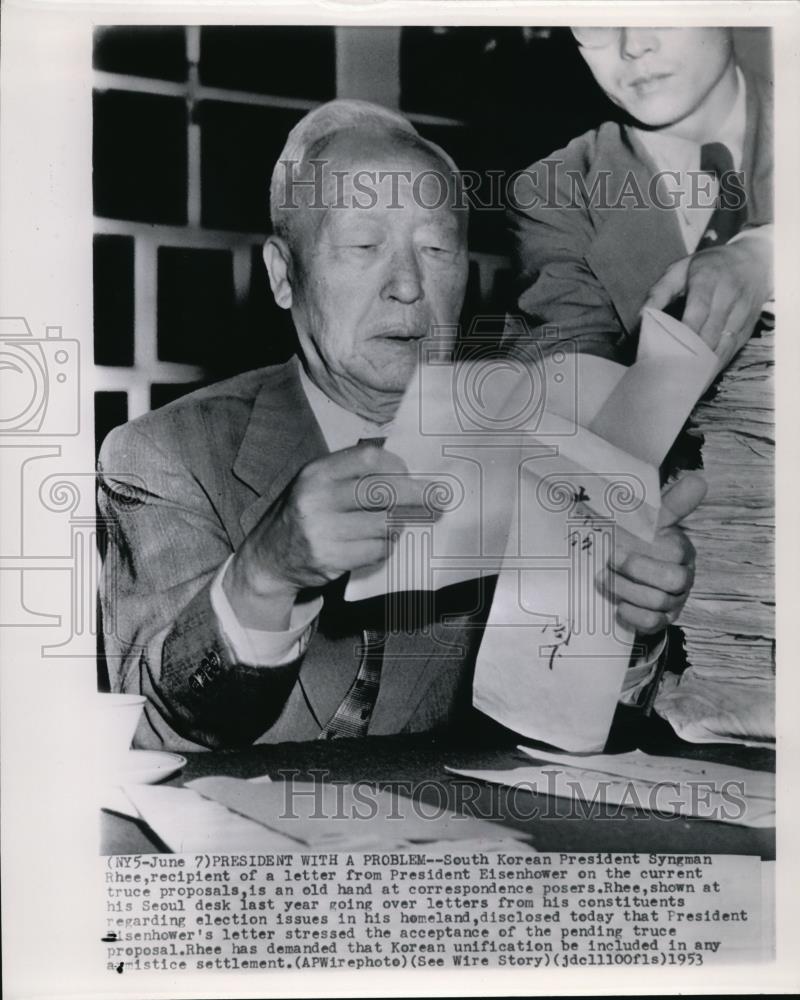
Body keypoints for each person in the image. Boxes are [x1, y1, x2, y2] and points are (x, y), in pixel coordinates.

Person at [98, 100, 702, 752]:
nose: (409, 287)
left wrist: (632, 615)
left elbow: (568, 733)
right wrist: (264, 575)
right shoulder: (166, 454)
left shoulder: (537, 447)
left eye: (437, 249)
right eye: (364, 245)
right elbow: (154, 725)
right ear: (282, 274)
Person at [506, 27, 772, 365]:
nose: (634, 45)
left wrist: (769, 257)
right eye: (596, 16)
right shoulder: (553, 193)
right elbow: (569, 383)